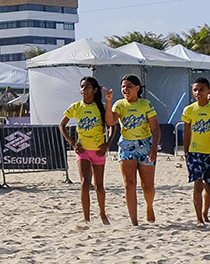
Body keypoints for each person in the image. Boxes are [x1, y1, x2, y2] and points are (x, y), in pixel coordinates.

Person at [178, 77, 210, 226]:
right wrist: (186, 152)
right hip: (194, 152)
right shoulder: (189, 110)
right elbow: (187, 133)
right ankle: (198, 218)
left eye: (201, 89)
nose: (198, 92)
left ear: (209, 91)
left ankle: (205, 213)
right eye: (195, 90)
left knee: (209, 185)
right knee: (197, 184)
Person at [60, 77, 111, 225]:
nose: (84, 90)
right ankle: (86, 218)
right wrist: (72, 143)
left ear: (94, 90)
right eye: (82, 87)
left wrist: (107, 144)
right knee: (84, 183)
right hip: (82, 149)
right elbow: (62, 125)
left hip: (98, 149)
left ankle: (102, 214)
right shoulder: (76, 106)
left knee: (99, 186)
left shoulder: (101, 107)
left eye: (87, 87)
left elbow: (112, 125)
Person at [112, 75, 160, 226]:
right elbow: (111, 121)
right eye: (123, 87)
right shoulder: (119, 104)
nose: (125, 89)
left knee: (147, 186)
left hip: (145, 145)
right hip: (126, 145)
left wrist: (154, 148)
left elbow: (155, 128)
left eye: (129, 86)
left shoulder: (146, 104)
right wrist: (108, 102)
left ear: (137, 88)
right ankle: (134, 220)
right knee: (129, 183)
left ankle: (149, 207)